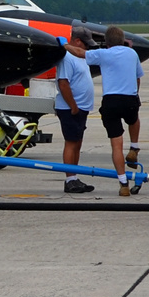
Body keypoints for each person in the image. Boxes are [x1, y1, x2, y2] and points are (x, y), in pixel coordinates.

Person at [71, 25, 145, 196]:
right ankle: (134, 147)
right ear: (123, 40)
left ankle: (123, 183)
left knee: (116, 145)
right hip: (130, 98)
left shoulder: (103, 54)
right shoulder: (132, 54)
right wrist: (135, 95)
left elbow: (80, 53)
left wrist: (63, 44)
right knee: (134, 119)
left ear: (107, 42)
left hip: (111, 101)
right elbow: (137, 78)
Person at [54, 30, 95, 193]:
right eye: (85, 44)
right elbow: (63, 83)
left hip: (81, 108)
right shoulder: (67, 57)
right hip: (70, 108)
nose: (87, 48)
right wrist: (73, 106)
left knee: (77, 143)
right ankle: (69, 180)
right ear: (77, 41)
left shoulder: (81, 57)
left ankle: (75, 178)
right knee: (71, 143)